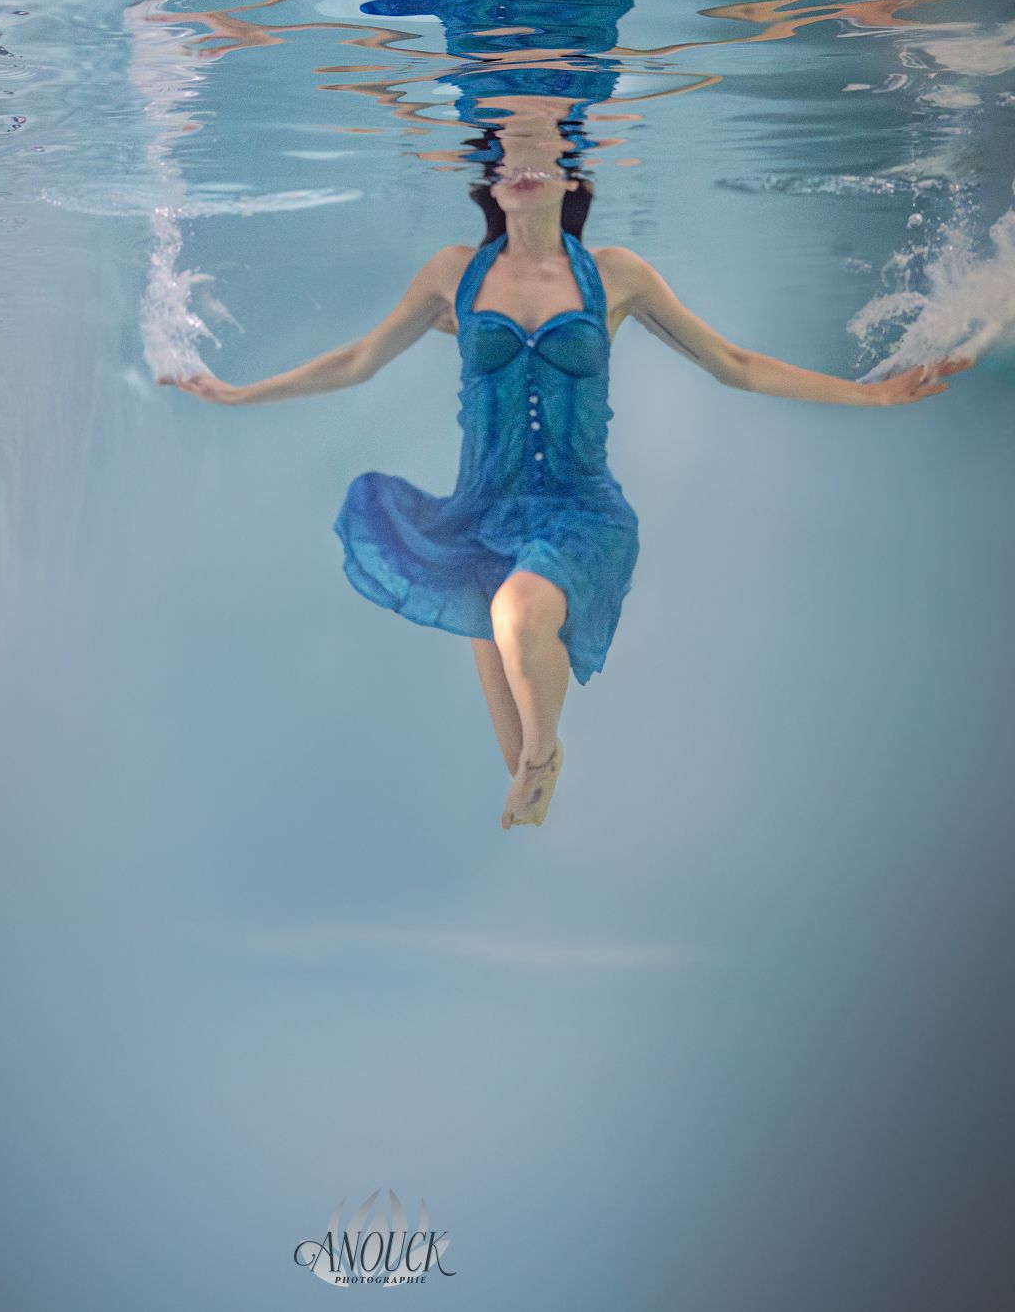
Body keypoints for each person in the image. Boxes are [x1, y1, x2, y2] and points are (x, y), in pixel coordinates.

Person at [158, 144, 971, 832]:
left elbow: (737, 366)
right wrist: (238, 394)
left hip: (581, 516)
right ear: (488, 177)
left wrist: (873, 393)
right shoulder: (454, 273)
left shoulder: (617, 275)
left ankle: (550, 749)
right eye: (505, 149)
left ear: (574, 175)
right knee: (513, 766)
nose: (521, 160)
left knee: (519, 633)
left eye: (541, 149)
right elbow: (357, 360)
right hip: (478, 521)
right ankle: (535, 756)